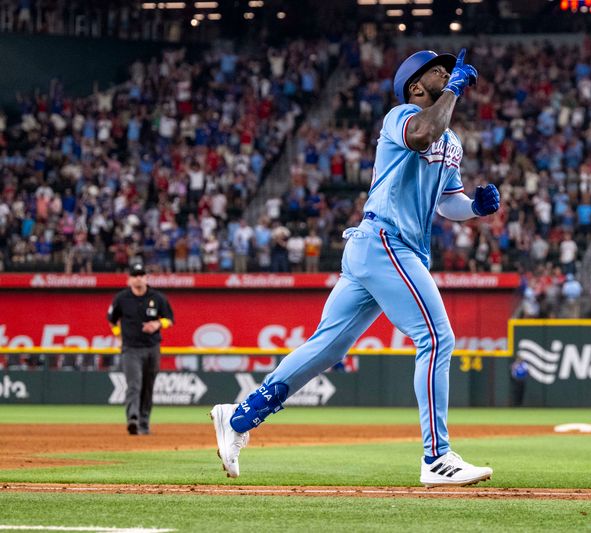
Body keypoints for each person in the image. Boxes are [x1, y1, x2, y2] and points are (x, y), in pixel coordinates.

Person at [211, 49, 498, 487]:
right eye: (437, 70)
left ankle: (240, 416)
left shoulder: (452, 140)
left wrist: (474, 207)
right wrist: (454, 89)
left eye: (447, 70)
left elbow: (447, 200)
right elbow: (423, 134)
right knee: (436, 337)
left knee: (327, 348)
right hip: (386, 241)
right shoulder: (401, 115)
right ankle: (437, 457)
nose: (447, 72)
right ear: (415, 86)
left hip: (381, 249)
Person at [107, 263, 174, 435]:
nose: (138, 278)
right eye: (135, 275)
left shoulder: (157, 297)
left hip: (152, 347)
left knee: (148, 386)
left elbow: (169, 319)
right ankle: (133, 419)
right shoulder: (121, 298)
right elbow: (112, 319)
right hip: (131, 349)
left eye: (141, 275)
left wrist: (157, 323)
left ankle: (144, 423)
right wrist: (118, 335)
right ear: (129, 279)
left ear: (146, 278)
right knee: (134, 384)